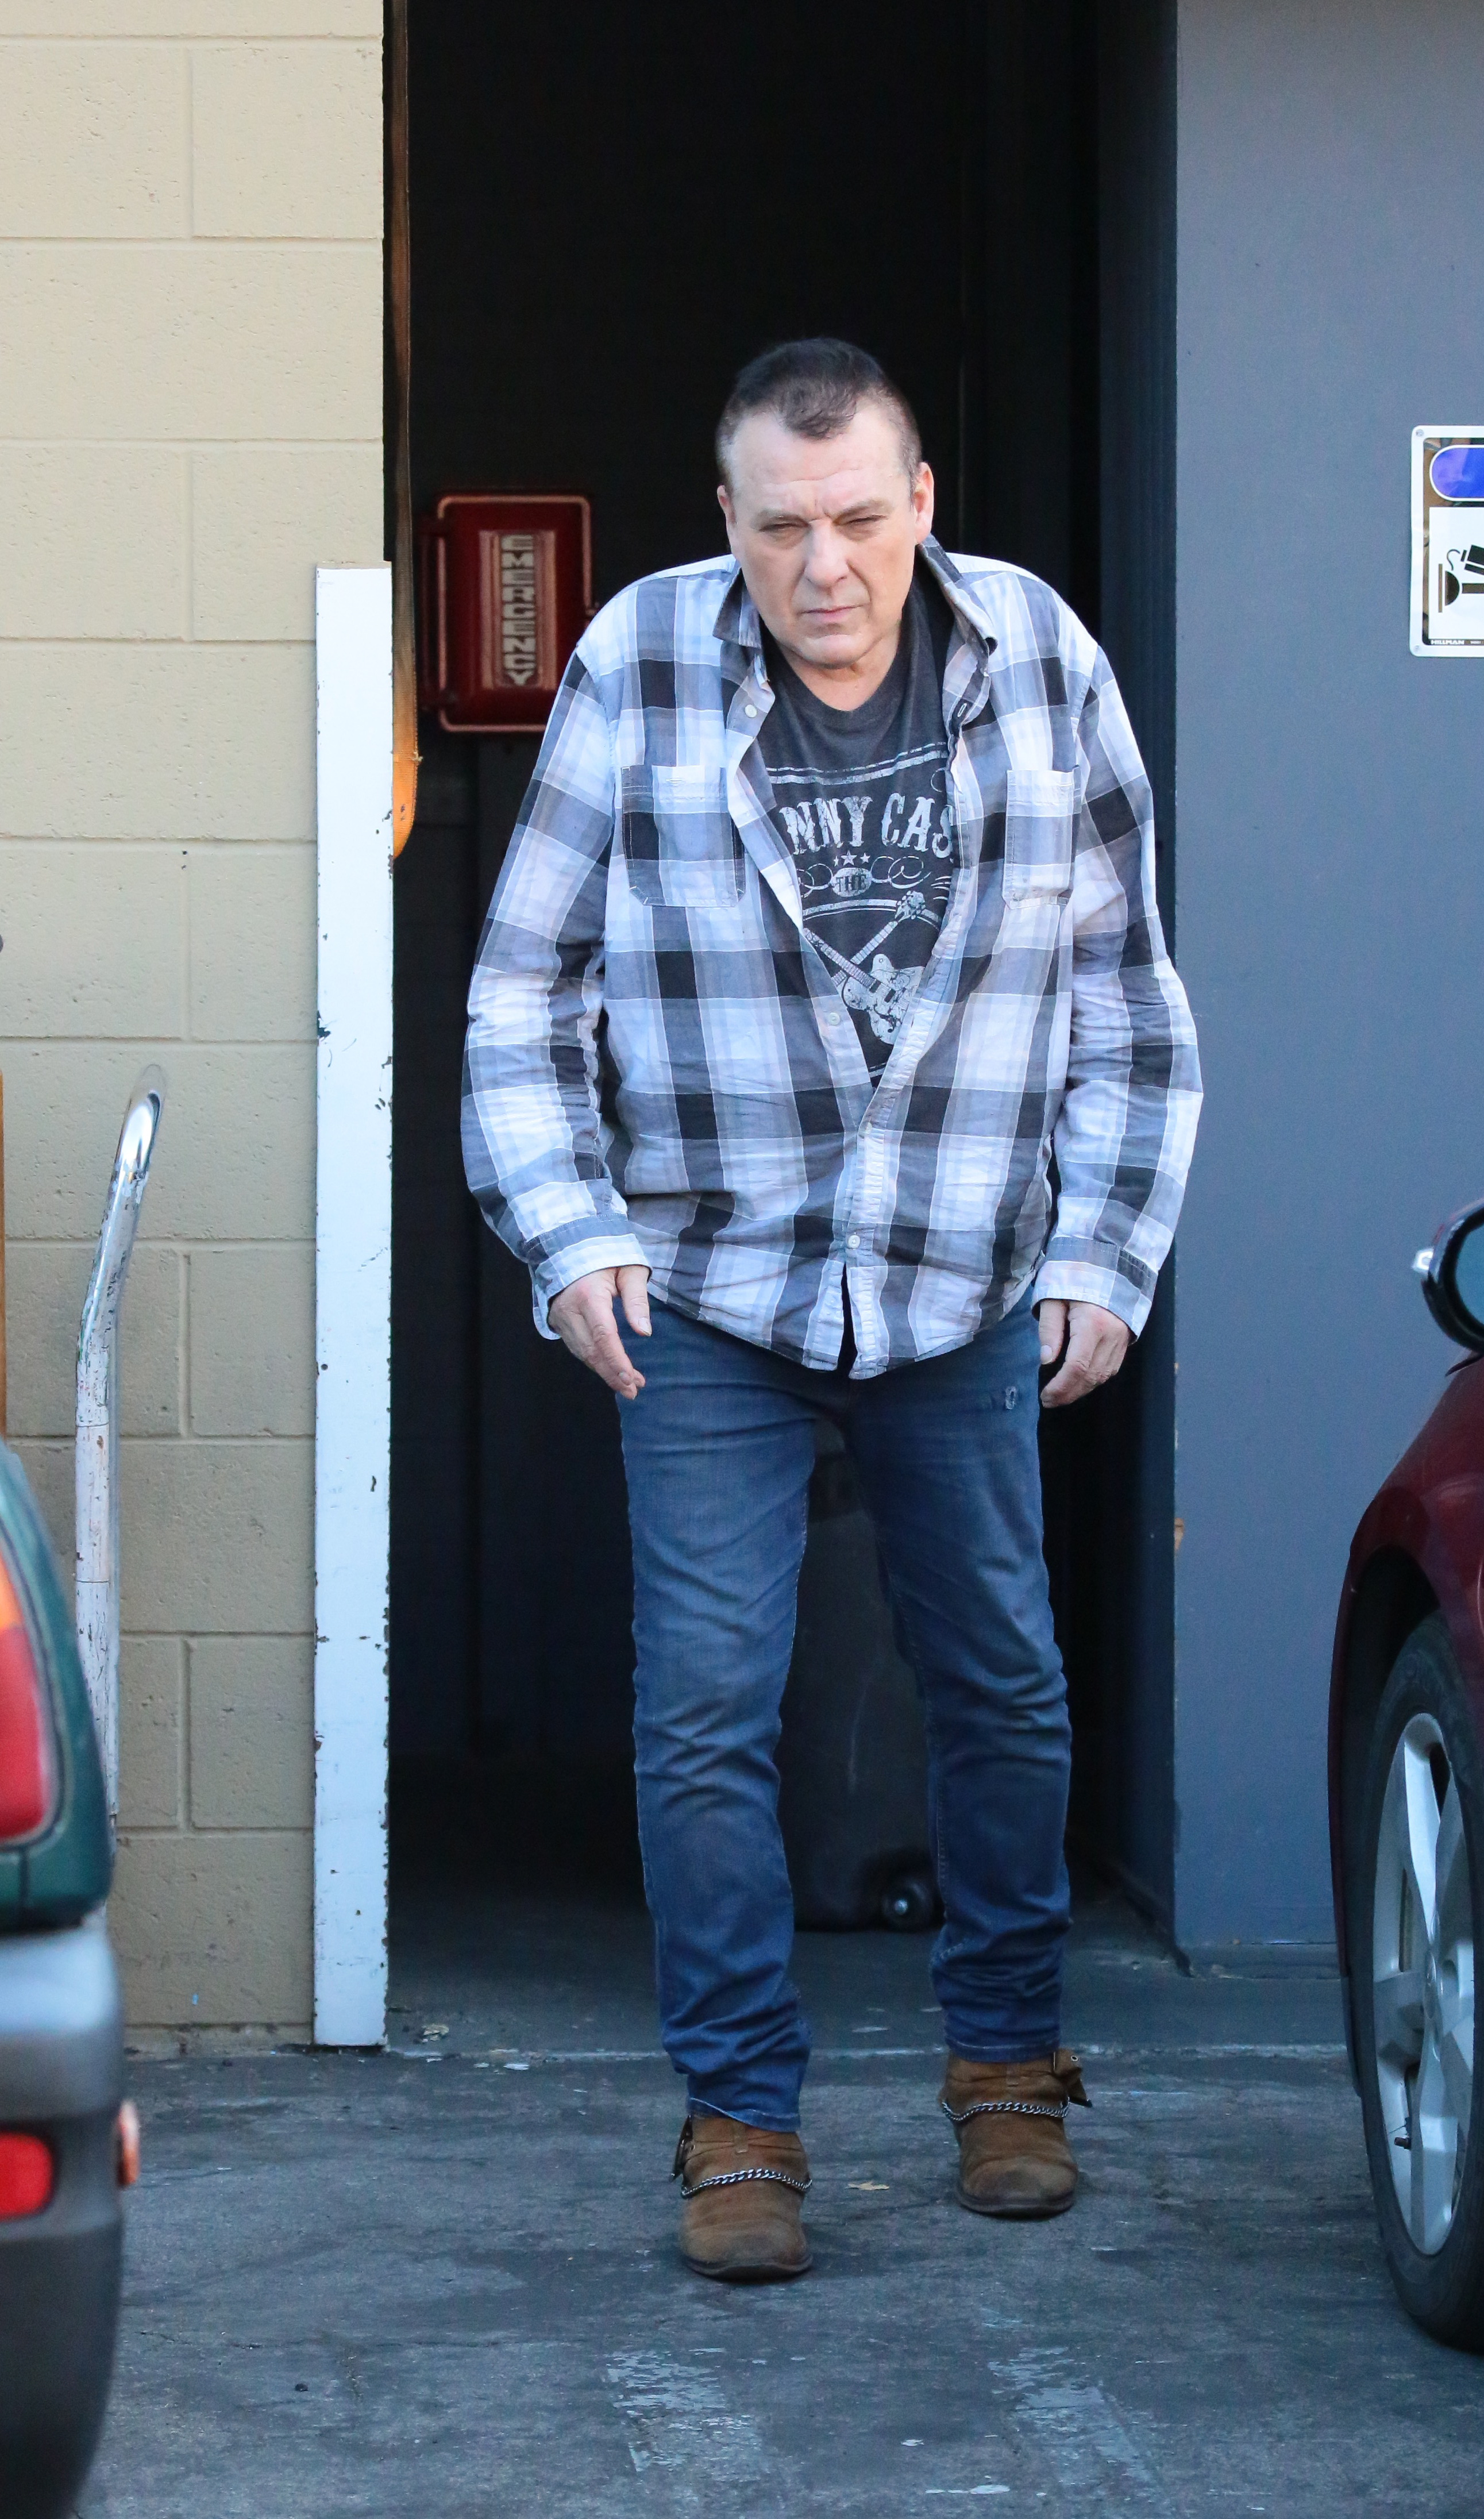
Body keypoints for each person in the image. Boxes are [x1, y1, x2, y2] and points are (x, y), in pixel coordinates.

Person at [464, 338, 1201, 2282]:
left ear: (922, 503)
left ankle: (1008, 2071)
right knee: (705, 1715)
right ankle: (740, 2125)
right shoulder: (632, 665)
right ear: (726, 522)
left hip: (962, 1270)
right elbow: (519, 1000)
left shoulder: (1041, 665)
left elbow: (1129, 1003)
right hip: (708, 1283)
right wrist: (570, 1232)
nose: (825, 566)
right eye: (782, 527)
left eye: (862, 520)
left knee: (1005, 1690)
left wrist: (1101, 1249)